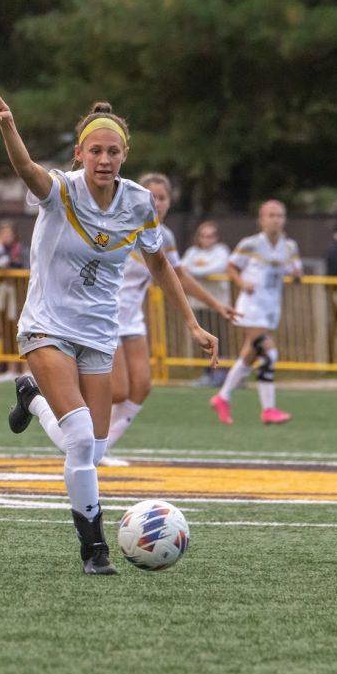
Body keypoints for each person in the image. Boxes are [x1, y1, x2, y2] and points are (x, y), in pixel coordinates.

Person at [0, 88, 217, 575]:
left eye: (113, 152)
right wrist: (8, 125)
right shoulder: (61, 190)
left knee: (93, 445)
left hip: (99, 333)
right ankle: (95, 549)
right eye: (96, 151)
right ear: (80, 154)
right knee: (79, 439)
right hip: (47, 325)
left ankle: (32, 399)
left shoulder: (137, 202)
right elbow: (27, 170)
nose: (104, 159)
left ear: (125, 156)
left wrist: (193, 323)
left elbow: (159, 263)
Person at [101, 173, 239, 465]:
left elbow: (178, 275)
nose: (156, 202)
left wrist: (216, 304)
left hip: (132, 318)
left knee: (142, 386)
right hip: (104, 314)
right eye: (150, 196)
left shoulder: (166, 236)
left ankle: (100, 449)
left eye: (162, 197)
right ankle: (68, 418)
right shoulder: (120, 223)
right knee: (118, 390)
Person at [209, 200, 300, 425]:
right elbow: (231, 266)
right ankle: (268, 409)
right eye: (271, 215)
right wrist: (242, 282)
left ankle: (222, 397)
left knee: (248, 356)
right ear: (261, 219)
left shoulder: (289, 246)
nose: (275, 219)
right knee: (269, 354)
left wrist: (297, 275)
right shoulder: (250, 244)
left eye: (279, 215)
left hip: (270, 308)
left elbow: (295, 272)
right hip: (251, 306)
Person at [181, 221, 231, 386]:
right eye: (203, 236)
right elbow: (182, 268)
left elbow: (216, 268)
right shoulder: (192, 252)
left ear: (216, 238)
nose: (207, 239)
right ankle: (208, 374)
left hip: (218, 305)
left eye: (210, 236)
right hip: (198, 304)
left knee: (221, 341)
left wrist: (194, 271)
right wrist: (197, 271)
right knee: (204, 342)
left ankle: (223, 375)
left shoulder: (222, 251)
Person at [0, 219, 30, 382]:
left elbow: (28, 268)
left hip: (19, 297)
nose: (5, 237)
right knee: (6, 332)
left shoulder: (22, 250)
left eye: (8, 234)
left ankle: (25, 368)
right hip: (4, 298)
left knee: (20, 332)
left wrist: (12, 266)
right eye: (2, 234)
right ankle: (11, 368)